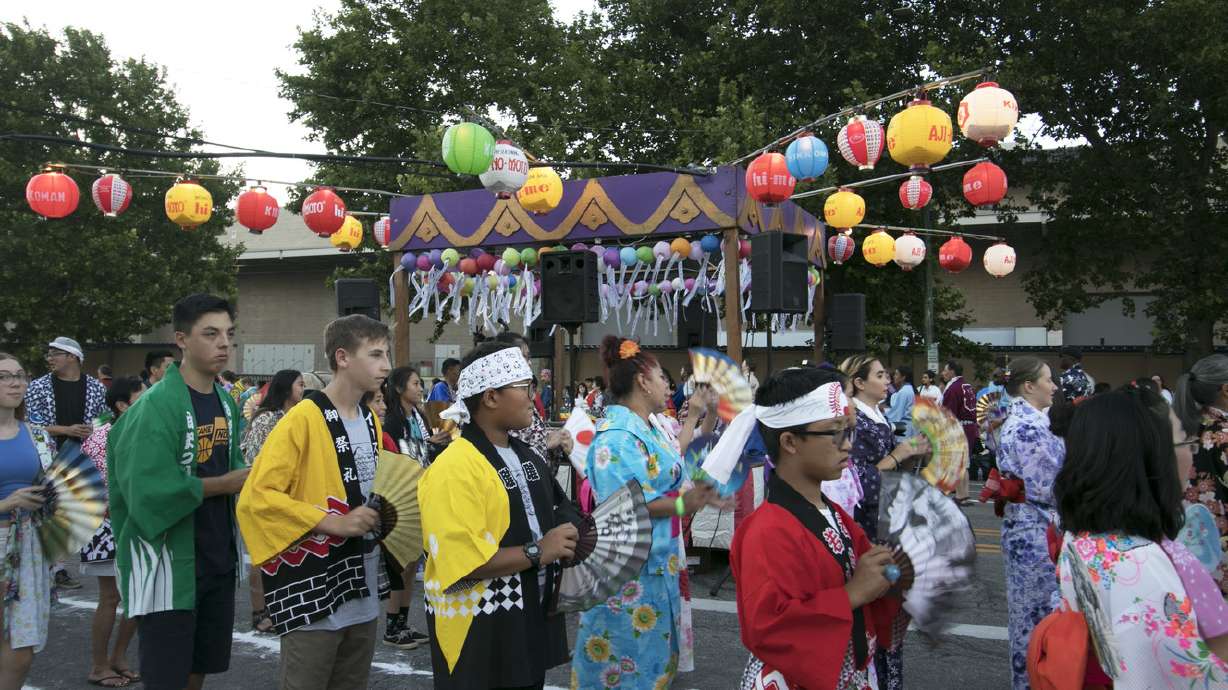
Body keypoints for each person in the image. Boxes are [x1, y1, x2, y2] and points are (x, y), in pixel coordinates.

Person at [726, 365, 905, 690]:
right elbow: (767, 626)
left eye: (849, 430)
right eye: (835, 431)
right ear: (791, 442)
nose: (848, 444)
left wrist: (894, 575)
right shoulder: (765, 529)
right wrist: (852, 594)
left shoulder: (836, 514)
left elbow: (874, 579)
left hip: (851, 673)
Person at [237, 315, 391, 690]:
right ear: (342, 357)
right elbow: (257, 496)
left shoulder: (370, 418)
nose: (386, 365)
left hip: (362, 577)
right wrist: (330, 521)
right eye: (374, 354)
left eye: (386, 354)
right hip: (314, 581)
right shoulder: (302, 418)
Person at [418, 341, 581, 689]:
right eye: (525, 387)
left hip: (525, 617)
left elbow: (558, 508)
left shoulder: (526, 455)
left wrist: (571, 532)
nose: (532, 397)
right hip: (478, 626)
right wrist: (540, 550)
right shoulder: (454, 466)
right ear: (491, 397)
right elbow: (461, 561)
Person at [107, 294, 250, 690]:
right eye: (210, 333)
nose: (224, 343)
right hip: (168, 563)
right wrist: (225, 484)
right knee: (165, 675)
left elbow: (233, 460)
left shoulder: (224, 398)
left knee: (198, 666)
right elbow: (146, 493)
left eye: (228, 334)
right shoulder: (154, 406)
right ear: (181, 339)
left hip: (216, 556)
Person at [1048, 385, 1228, 686]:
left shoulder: (1081, 539)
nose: (1191, 453)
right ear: (1151, 458)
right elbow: (1192, 677)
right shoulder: (1141, 562)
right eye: (1185, 441)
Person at [572, 337, 724, 690]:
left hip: (656, 562)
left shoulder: (648, 425)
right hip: (630, 572)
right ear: (642, 381)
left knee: (651, 663)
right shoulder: (617, 436)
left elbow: (674, 465)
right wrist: (688, 503)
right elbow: (628, 502)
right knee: (626, 666)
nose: (666, 385)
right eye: (660, 377)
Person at [838, 355, 927, 690]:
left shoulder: (881, 417)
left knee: (892, 613)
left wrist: (911, 455)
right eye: (879, 375)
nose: (887, 379)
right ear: (859, 383)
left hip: (888, 520)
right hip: (868, 524)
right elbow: (857, 479)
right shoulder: (855, 420)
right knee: (876, 609)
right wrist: (898, 456)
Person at [992, 357, 1063, 690]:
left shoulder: (1030, 420)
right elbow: (1047, 485)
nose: (1054, 386)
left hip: (1032, 523)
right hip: (1034, 526)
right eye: (1048, 380)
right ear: (1028, 386)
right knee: (1034, 614)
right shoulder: (1026, 426)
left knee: (1036, 612)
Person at [80, 376, 146, 687]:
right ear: (122, 405)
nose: (148, 400)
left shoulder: (138, 430)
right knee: (111, 597)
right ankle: (98, 664)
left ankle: (118, 657)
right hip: (104, 522)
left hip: (134, 520)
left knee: (137, 594)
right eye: (141, 396)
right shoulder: (104, 436)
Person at [237, 369, 304, 635]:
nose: (303, 389)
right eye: (300, 384)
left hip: (289, 495)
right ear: (287, 388)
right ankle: (259, 611)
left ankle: (279, 606)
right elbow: (254, 460)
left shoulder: (294, 417)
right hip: (263, 495)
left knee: (284, 554)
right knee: (262, 555)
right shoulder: (267, 418)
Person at [0, 353, 52, 690]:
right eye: (4, 377)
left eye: (20, 375)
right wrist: (7, 503)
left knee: (21, 650)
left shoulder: (35, 434)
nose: (16, 382)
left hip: (28, 545)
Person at [379, 366, 440, 650]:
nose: (420, 388)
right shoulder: (392, 420)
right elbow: (393, 459)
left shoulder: (416, 416)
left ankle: (402, 623)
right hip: (401, 500)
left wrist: (433, 442)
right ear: (401, 388)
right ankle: (392, 626)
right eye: (416, 383)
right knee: (399, 564)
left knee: (412, 561)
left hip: (421, 494)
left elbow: (420, 448)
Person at [1176, 353, 1228, 596]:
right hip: (1220, 543)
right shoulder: (1222, 433)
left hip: (1188, 540)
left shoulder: (1185, 427)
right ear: (1225, 390)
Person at [940, 360, 977, 503]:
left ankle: (961, 495)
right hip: (970, 426)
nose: (942, 373)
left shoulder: (953, 388)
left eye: (945, 370)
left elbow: (949, 413)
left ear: (952, 371)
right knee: (964, 462)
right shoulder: (967, 386)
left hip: (959, 427)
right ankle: (964, 493)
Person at [883, 365, 916, 438]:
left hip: (903, 430)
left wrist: (883, 410)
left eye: (896, 374)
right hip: (905, 428)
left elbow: (896, 414)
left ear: (903, 377)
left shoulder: (904, 391)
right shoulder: (907, 389)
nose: (894, 376)